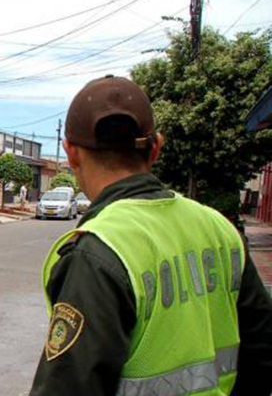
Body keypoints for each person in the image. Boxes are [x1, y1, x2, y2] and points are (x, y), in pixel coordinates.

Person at [30, 75, 272, 396]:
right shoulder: (219, 229)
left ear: (71, 153)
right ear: (156, 147)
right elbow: (262, 349)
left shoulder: (99, 250)